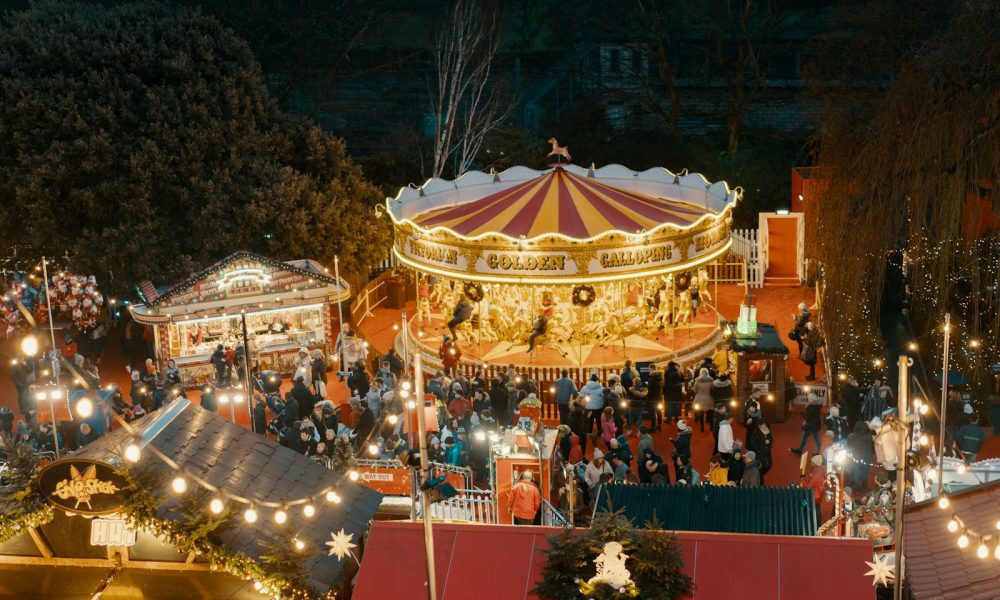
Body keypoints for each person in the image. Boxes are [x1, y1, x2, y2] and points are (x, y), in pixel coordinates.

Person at [846, 421, 875, 493]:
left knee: (856, 473)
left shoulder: (851, 436)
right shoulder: (868, 436)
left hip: (855, 458)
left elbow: (849, 446)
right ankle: (864, 487)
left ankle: (856, 489)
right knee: (865, 474)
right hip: (866, 458)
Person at [746, 420, 774, 485]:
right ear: (759, 425)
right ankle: (760, 482)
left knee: (768, 466)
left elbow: (771, 439)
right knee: (761, 467)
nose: (764, 426)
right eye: (763, 425)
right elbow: (752, 443)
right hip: (760, 454)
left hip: (767, 453)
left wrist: (769, 441)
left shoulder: (768, 431)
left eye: (765, 425)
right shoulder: (756, 432)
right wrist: (758, 449)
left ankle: (759, 477)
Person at [802, 454, 826, 525]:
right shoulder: (821, 469)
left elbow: (808, 486)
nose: (810, 463)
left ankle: (813, 522)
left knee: (806, 505)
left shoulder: (816, 474)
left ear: (815, 463)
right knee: (817, 507)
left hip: (814, 495)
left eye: (812, 462)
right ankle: (818, 523)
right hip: (819, 493)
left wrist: (802, 479)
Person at [663, 362, 684, 427]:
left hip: (669, 391)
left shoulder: (667, 372)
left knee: (669, 406)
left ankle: (669, 420)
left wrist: (664, 392)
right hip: (677, 392)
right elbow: (683, 381)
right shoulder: (679, 371)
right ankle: (676, 418)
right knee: (676, 405)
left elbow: (665, 383)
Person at [645, 363, 664, 433]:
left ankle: (653, 428)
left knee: (652, 413)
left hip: (652, 399)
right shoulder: (661, 377)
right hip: (659, 398)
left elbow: (650, 390)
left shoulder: (651, 379)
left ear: (652, 369)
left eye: (649, 368)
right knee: (659, 412)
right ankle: (659, 425)